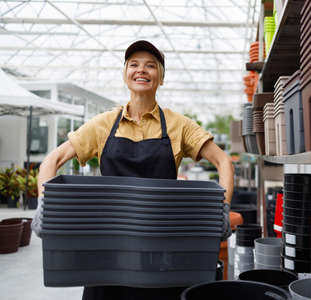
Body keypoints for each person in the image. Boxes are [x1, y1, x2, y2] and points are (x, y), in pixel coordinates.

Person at [31, 40, 234, 299]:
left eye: (151, 66)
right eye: (134, 64)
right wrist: (44, 206)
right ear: (125, 73)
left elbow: (223, 162)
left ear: (161, 77)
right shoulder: (103, 124)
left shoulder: (178, 125)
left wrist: (222, 211)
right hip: (107, 251)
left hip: (162, 250)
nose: (142, 70)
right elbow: (52, 160)